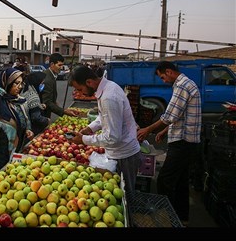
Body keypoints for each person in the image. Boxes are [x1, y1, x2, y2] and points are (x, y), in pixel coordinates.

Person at [137, 61, 202, 225]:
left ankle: (166, 218)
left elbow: (169, 117)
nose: (163, 80)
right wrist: (164, 131)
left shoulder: (182, 85)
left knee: (165, 180)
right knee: (180, 181)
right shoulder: (185, 84)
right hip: (187, 140)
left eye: (162, 77)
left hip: (183, 142)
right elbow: (180, 114)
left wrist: (148, 130)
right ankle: (181, 218)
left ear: (169, 71)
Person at [68, 65, 141, 194]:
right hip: (121, 151)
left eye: (80, 89)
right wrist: (90, 128)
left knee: (125, 195)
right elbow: (104, 116)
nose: (80, 93)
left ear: (89, 82)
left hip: (124, 155)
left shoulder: (108, 98)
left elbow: (112, 137)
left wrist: (84, 139)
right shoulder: (108, 87)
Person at [41, 52, 78, 118]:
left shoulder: (52, 75)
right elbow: (47, 102)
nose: (61, 68)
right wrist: (64, 111)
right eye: (59, 65)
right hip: (42, 114)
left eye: (62, 65)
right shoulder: (47, 79)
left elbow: (51, 98)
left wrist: (58, 106)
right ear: (52, 64)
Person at [21, 71, 50, 136]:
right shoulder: (33, 95)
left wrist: (39, 105)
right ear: (37, 82)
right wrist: (46, 120)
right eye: (42, 83)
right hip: (32, 129)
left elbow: (29, 105)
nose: (43, 85)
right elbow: (36, 117)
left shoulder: (26, 89)